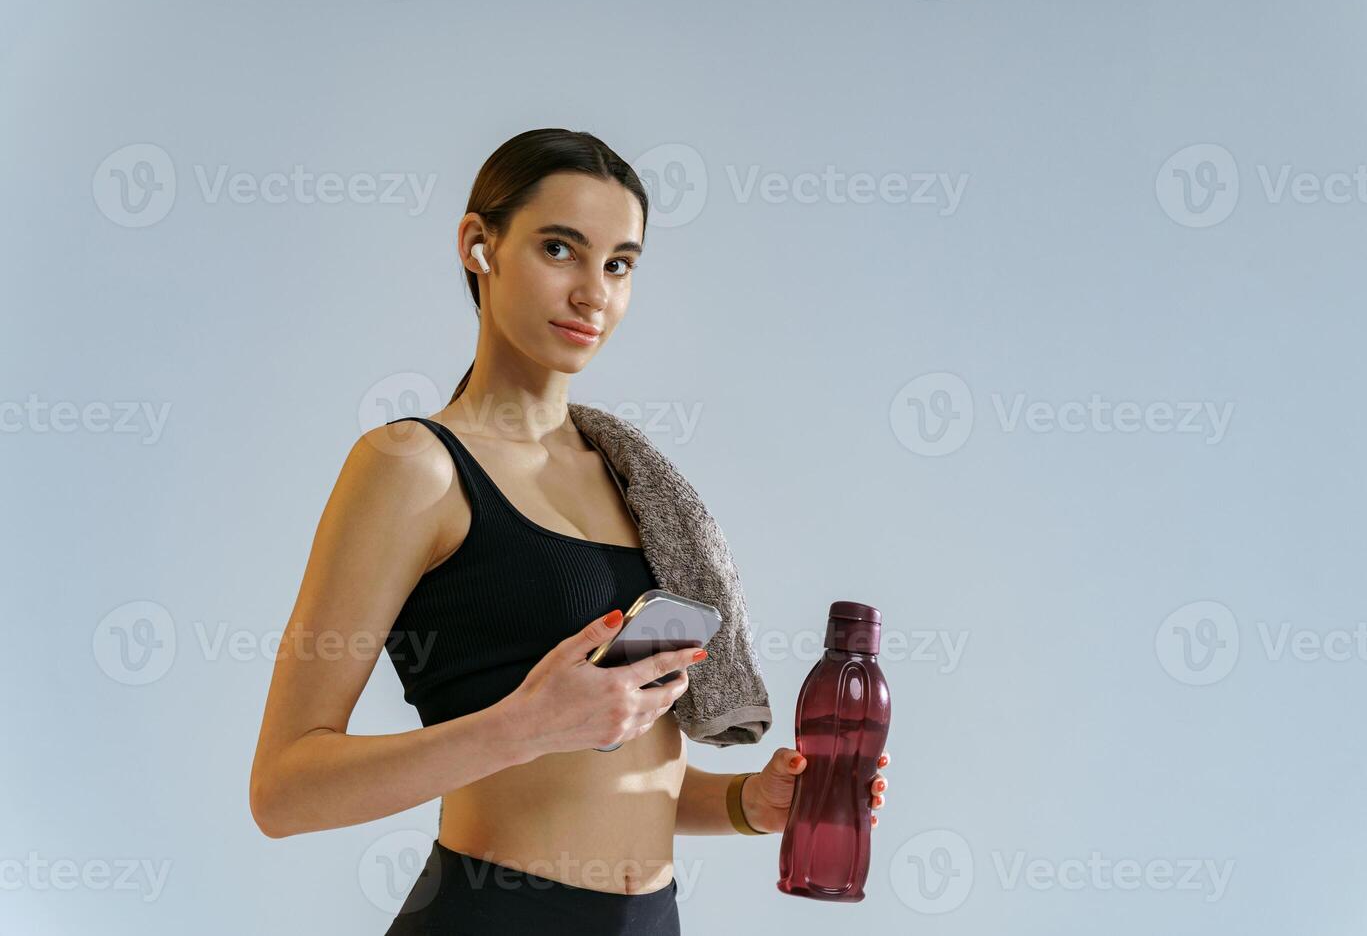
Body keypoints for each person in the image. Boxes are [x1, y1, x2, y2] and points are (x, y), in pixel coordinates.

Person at [247, 128, 890, 933]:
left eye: (619, 264)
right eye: (561, 249)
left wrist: (745, 802)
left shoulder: (632, 482)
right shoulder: (414, 467)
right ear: (480, 247)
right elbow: (282, 792)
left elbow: (600, 763)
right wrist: (519, 727)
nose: (594, 293)